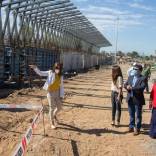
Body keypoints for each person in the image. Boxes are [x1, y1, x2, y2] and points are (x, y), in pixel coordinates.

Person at [29, 63, 64, 129]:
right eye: (56, 67)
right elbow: (41, 73)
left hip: (57, 92)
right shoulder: (50, 72)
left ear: (60, 68)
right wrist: (35, 68)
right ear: (54, 67)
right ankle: (52, 123)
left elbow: (61, 86)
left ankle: (54, 115)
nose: (57, 69)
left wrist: (61, 95)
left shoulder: (61, 76)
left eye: (59, 68)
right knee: (52, 108)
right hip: (50, 92)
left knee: (59, 107)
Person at [124, 64, 145, 135]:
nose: (134, 71)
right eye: (134, 69)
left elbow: (142, 87)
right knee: (131, 114)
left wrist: (132, 88)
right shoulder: (130, 77)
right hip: (130, 98)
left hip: (138, 99)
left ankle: (138, 128)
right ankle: (131, 126)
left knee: (138, 115)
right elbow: (125, 85)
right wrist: (126, 86)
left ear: (140, 71)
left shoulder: (143, 78)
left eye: (136, 69)